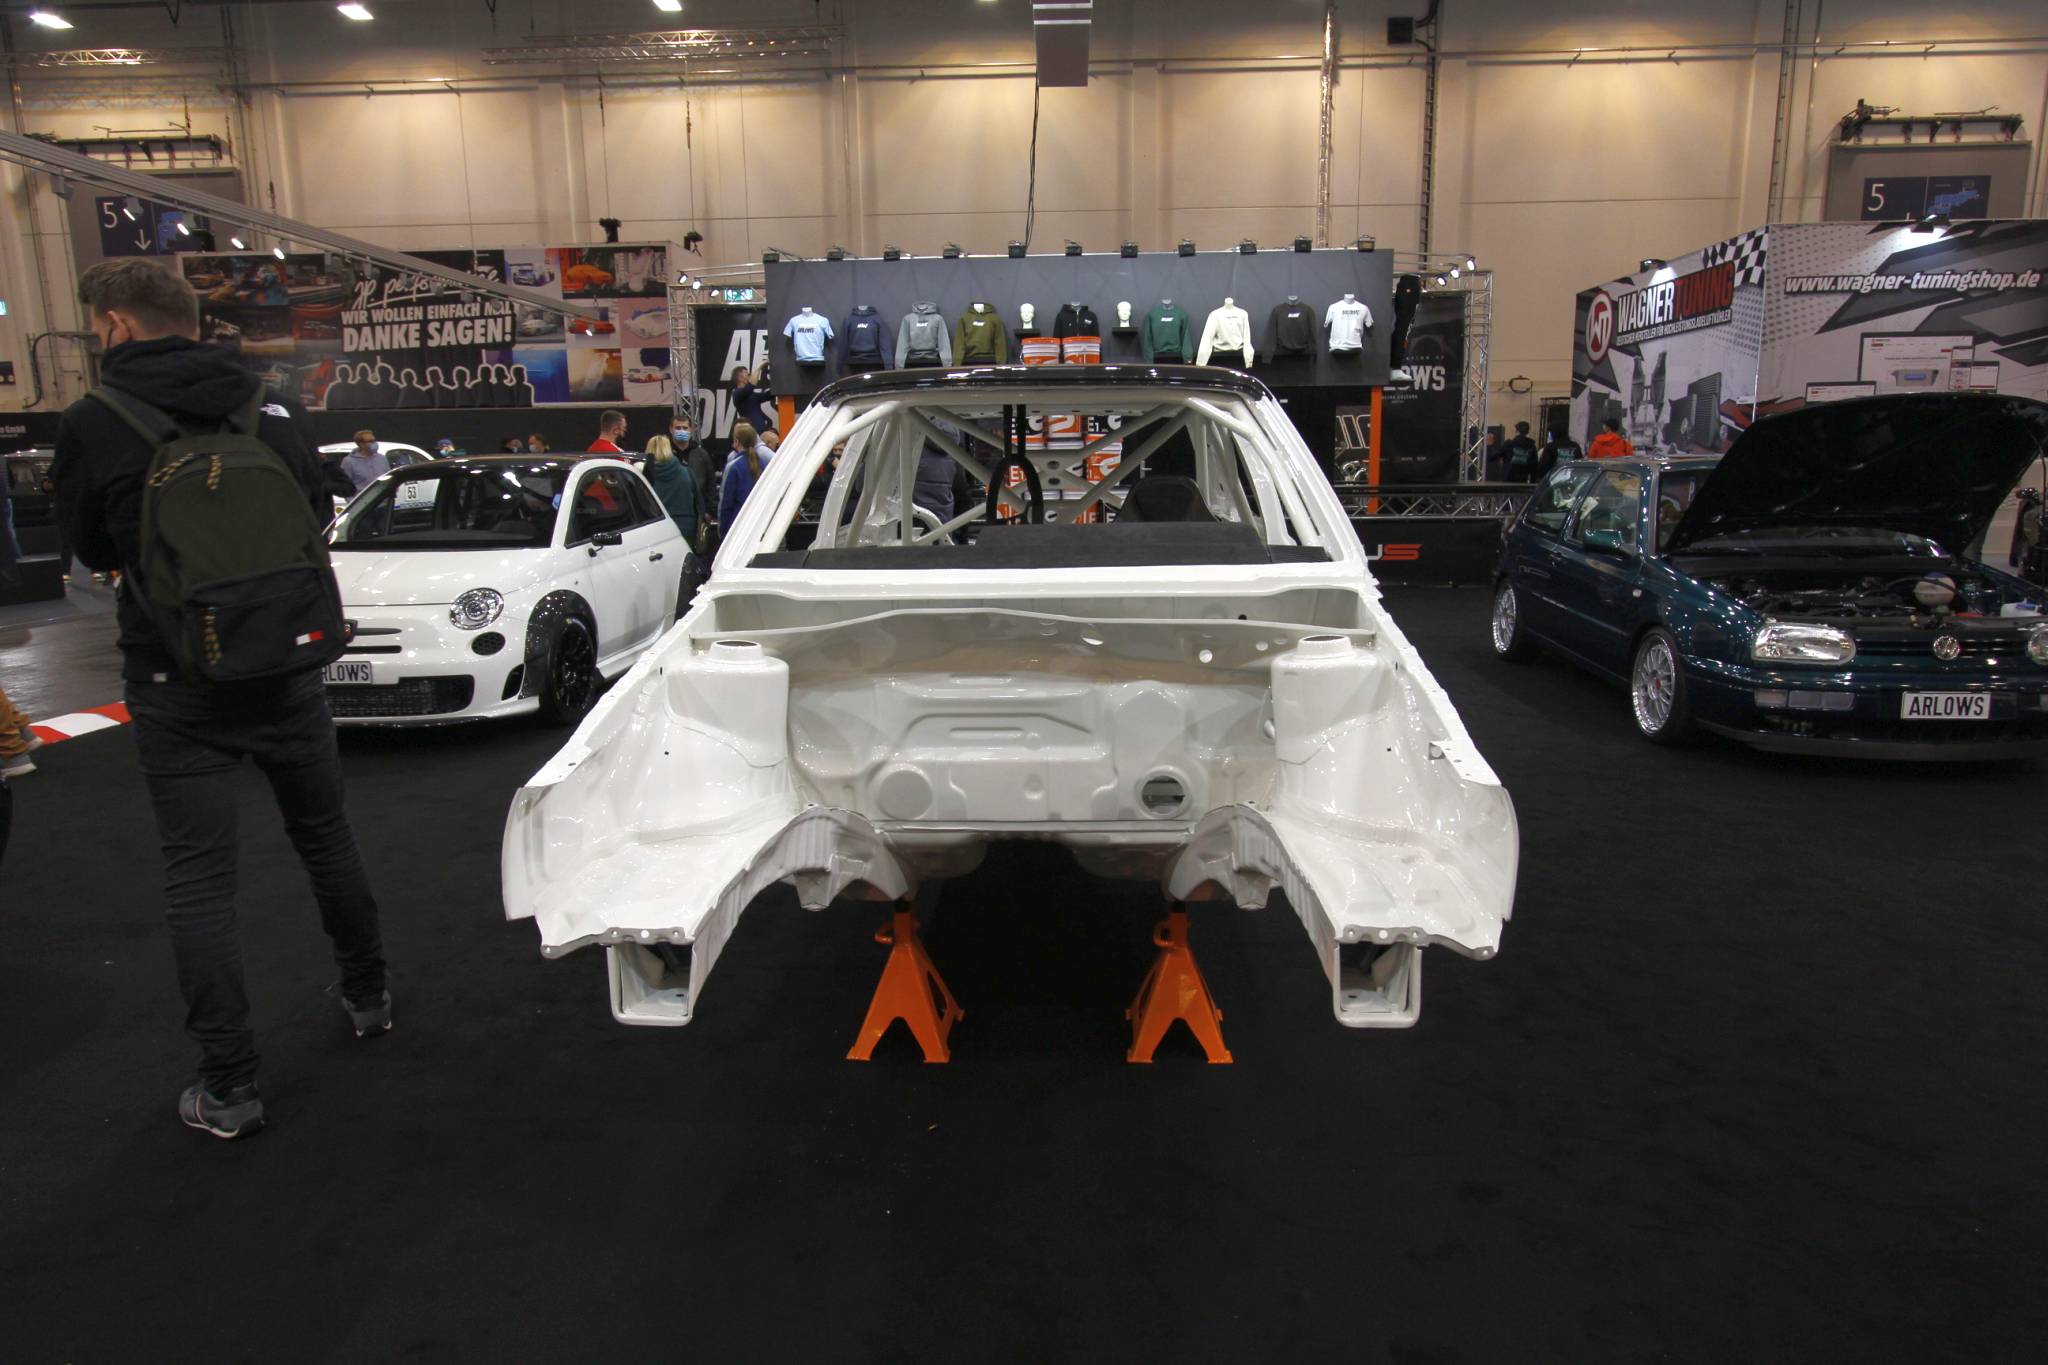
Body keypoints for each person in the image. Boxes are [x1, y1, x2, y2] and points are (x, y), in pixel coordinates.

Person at [53, 258, 390, 1141]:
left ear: (116, 325)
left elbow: (92, 545)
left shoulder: (95, 420)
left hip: (177, 677)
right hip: (288, 662)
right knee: (326, 836)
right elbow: (311, 511)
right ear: (194, 320)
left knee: (199, 877)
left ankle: (229, 1085)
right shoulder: (269, 405)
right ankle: (369, 995)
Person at [641, 434, 700, 538]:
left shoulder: (645, 476)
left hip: (657, 527)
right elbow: (699, 503)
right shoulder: (687, 472)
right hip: (686, 527)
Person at [719, 421, 770, 530]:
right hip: (759, 522)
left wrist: (723, 529)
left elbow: (726, 501)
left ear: (736, 442)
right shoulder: (763, 463)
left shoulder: (733, 466)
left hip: (738, 524)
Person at [733, 367, 774, 432]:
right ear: (740, 378)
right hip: (752, 432)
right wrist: (759, 367)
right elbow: (750, 387)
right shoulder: (737, 394)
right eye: (748, 375)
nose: (750, 376)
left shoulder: (752, 395)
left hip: (762, 430)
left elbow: (767, 395)